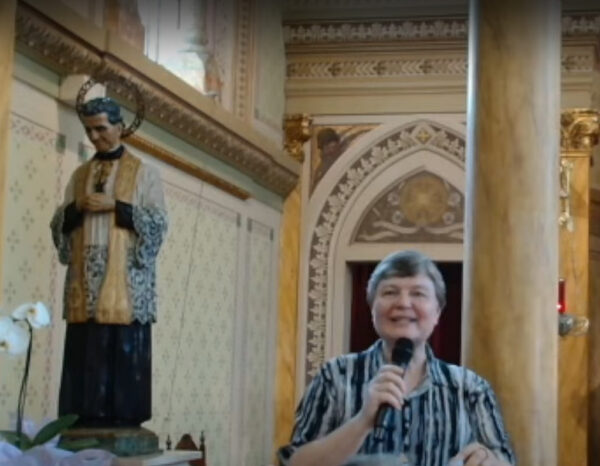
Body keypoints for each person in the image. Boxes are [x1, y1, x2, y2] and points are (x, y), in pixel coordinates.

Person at [278, 250, 515, 466]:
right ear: (372, 308)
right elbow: (293, 463)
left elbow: (505, 461)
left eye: (418, 293)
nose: (403, 303)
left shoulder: (470, 387)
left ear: (437, 312)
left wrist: (486, 460)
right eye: (390, 292)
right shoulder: (335, 376)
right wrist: (363, 420)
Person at [50, 97, 168, 427]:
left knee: (122, 350)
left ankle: (124, 419)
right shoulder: (80, 175)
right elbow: (58, 223)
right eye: (89, 130)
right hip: (85, 278)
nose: (94, 137)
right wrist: (77, 208)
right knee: (85, 349)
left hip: (125, 280)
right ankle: (81, 418)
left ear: (119, 127)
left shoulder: (144, 174)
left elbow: (158, 223)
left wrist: (117, 207)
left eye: (101, 128)